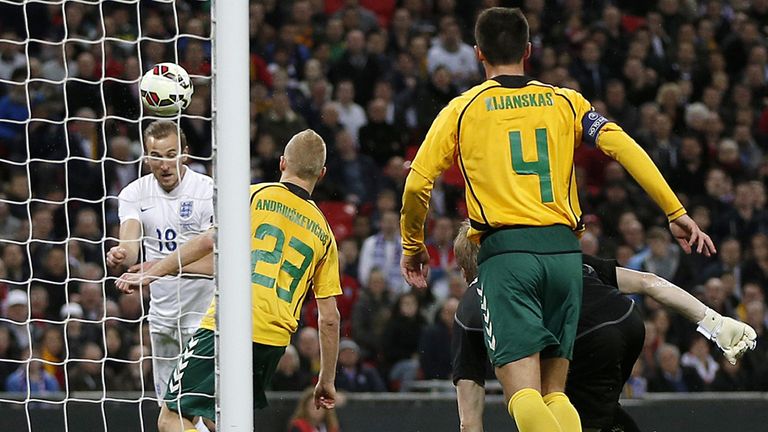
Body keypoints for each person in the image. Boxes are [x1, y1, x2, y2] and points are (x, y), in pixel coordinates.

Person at [400, 8, 715, 432]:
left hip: (508, 256)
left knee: (522, 395)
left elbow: (417, 184)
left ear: (478, 53)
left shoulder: (462, 109)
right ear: (528, 51)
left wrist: (412, 245)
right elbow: (625, 148)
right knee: (555, 394)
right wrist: (675, 212)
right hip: (567, 256)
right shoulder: (566, 101)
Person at [117, 129, 341, 432]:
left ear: (282, 163)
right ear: (323, 173)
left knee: (171, 418)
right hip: (273, 342)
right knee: (220, 420)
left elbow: (210, 241)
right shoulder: (325, 234)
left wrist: (153, 271)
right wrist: (326, 380)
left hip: (228, 328)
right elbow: (329, 319)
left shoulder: (254, 196)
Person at [450, 220, 756, 432]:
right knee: (596, 414)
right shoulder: (556, 258)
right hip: (627, 321)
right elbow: (649, 282)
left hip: (587, 342)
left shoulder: (471, 305)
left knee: (535, 395)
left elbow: (469, 420)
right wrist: (713, 322)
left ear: (466, 270)